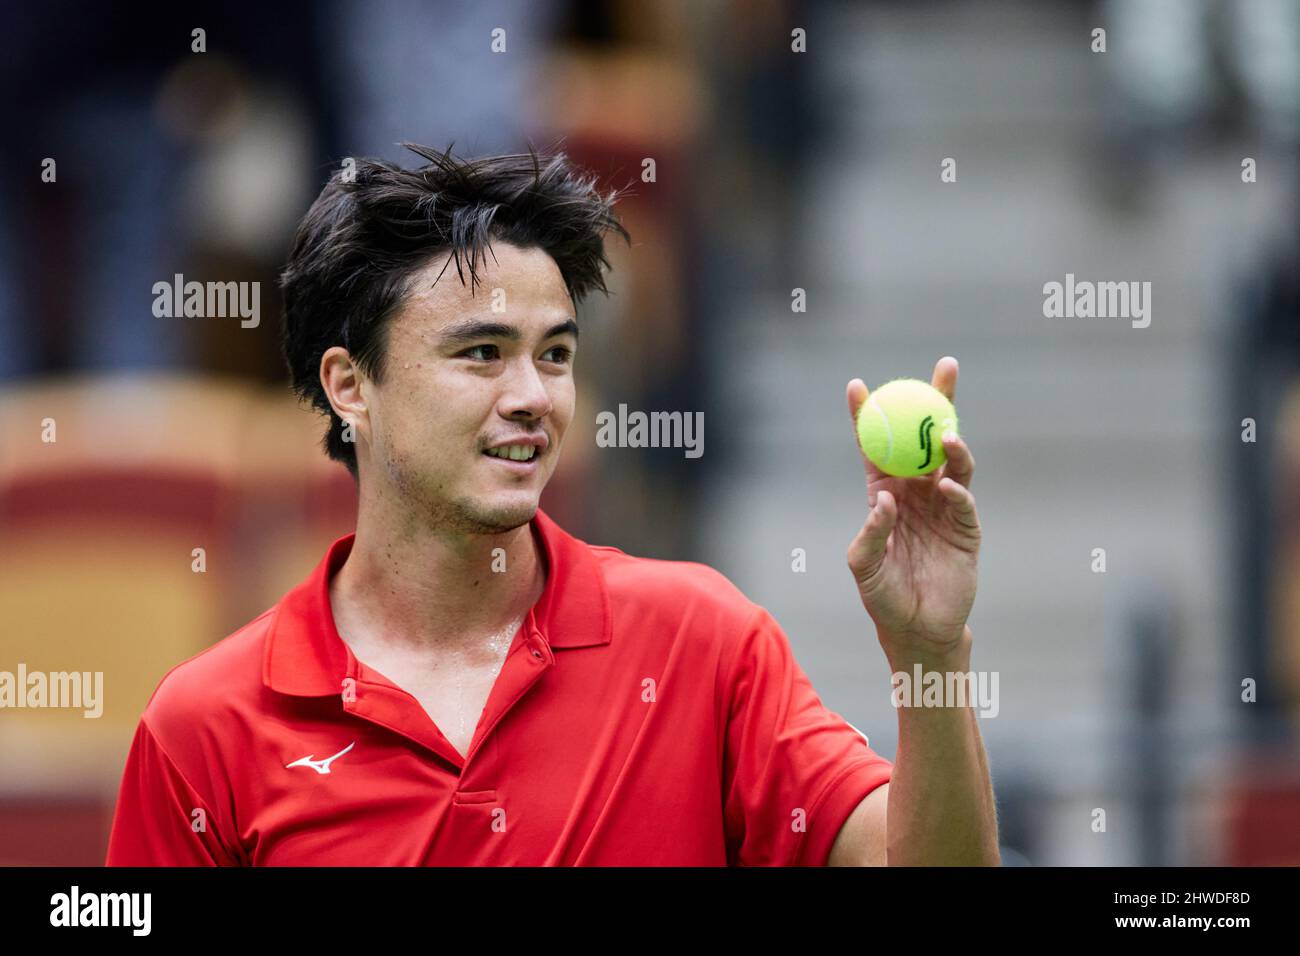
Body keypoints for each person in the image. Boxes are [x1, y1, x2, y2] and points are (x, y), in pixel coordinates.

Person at [105, 144, 998, 865]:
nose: (534, 395)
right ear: (350, 386)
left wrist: (930, 650)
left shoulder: (704, 640)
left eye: (557, 355)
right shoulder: (205, 727)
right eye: (483, 353)